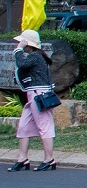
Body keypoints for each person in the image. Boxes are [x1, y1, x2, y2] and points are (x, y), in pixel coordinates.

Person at [8, 29, 56, 172]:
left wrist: (18, 50)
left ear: (28, 44)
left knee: (44, 126)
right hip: (33, 95)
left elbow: (22, 64)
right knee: (23, 127)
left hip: (38, 95)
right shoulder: (36, 56)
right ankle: (22, 158)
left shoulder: (35, 56)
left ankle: (49, 159)